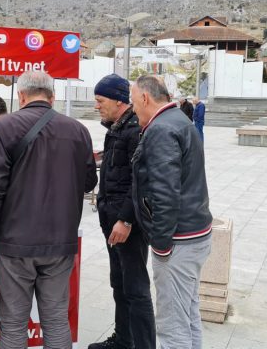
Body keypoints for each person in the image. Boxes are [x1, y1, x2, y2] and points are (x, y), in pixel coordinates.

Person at [0, 71, 98, 349]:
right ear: (52, 96)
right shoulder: (78, 130)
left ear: (21, 96)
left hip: (15, 242)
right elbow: (90, 182)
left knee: (13, 323)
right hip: (60, 240)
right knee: (56, 320)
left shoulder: (4, 127)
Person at [130, 75, 213, 349]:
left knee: (172, 327)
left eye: (133, 102)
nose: (133, 109)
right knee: (188, 315)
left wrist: (161, 244)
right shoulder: (179, 120)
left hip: (179, 240)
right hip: (195, 233)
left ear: (145, 98)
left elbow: (165, 193)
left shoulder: (161, 129)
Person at [90, 74, 155, 349]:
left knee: (136, 289)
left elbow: (140, 181)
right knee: (119, 283)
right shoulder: (116, 128)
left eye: (100, 100)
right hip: (111, 221)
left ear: (118, 100)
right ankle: (124, 340)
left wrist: (126, 219)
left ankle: (143, 344)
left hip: (128, 225)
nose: (96, 106)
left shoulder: (135, 129)